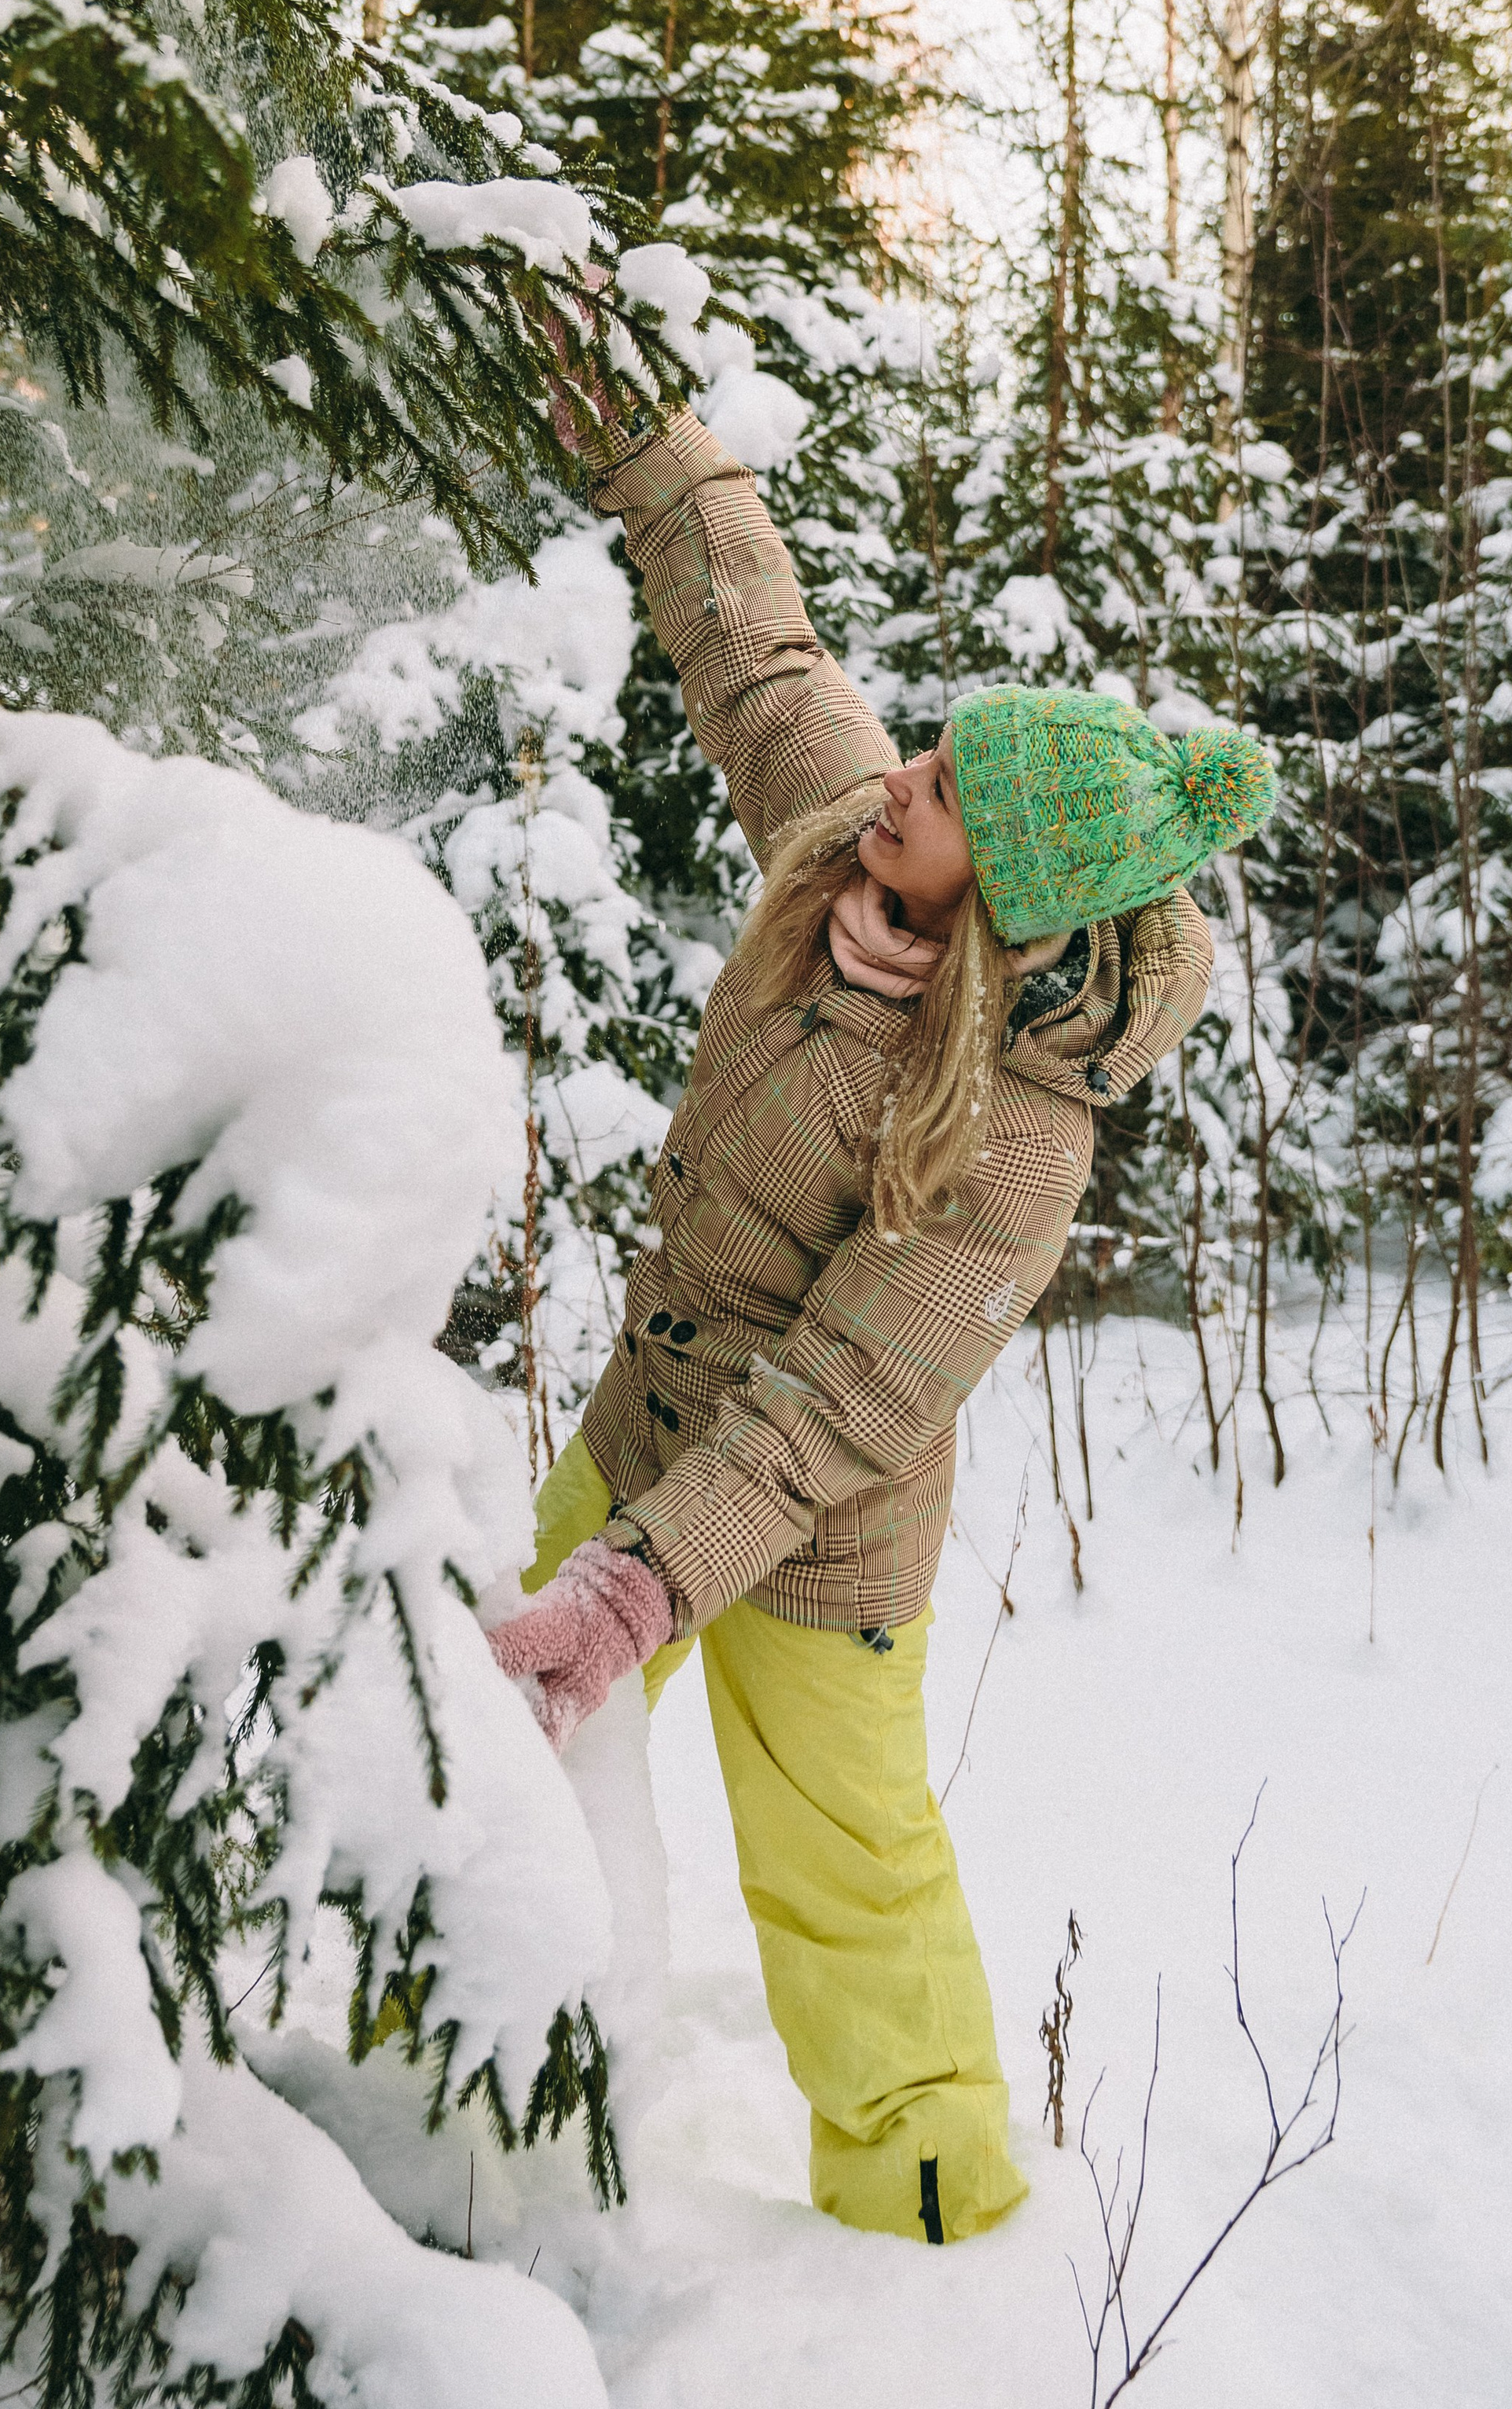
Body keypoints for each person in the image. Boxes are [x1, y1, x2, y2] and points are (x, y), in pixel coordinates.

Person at [483, 399, 1272, 2247]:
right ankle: (436, 2084)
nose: (901, 779)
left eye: (944, 792)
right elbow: (762, 665)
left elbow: (844, 1395)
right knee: (493, 1743)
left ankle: (932, 2226)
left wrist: (637, 1586)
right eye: (929, 754)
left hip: (818, 1543)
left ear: (996, 898)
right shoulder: (847, 839)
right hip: (643, 1433)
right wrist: (667, 461)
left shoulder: (1014, 1135)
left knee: (843, 1885)